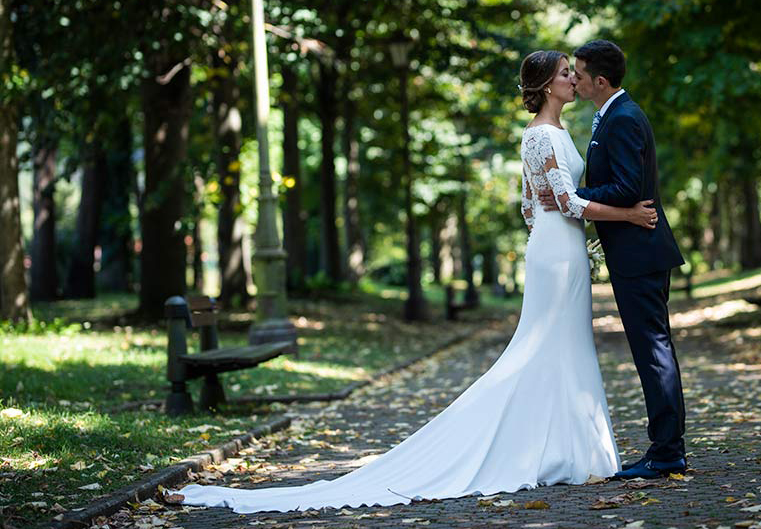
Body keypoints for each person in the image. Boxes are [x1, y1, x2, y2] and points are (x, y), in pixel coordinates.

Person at [174, 49, 658, 513]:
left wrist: (566, 226)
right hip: (557, 255)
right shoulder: (540, 137)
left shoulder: (558, 133)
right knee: (541, 347)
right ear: (546, 85)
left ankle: (571, 452)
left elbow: (531, 207)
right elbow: (562, 204)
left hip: (562, 249)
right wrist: (626, 216)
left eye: (574, 72)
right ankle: (554, 451)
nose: (574, 78)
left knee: (565, 348)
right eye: (565, 73)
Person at [537, 39, 687, 480]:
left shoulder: (621, 119)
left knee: (653, 352)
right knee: (652, 351)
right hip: (635, 250)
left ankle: (666, 452)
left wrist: (572, 196)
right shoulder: (611, 116)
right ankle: (666, 448)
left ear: (600, 82)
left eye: (579, 75)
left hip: (640, 253)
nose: (574, 80)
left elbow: (626, 188)